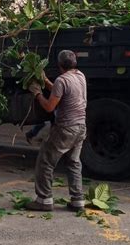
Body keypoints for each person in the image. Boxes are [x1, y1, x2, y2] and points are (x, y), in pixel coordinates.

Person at [26, 50, 87, 212]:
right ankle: (77, 200)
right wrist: (45, 80)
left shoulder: (61, 80)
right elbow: (62, 93)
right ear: (74, 63)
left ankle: (44, 200)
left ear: (59, 65)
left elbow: (49, 106)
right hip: (81, 126)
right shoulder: (80, 76)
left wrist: (37, 93)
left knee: (45, 161)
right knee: (74, 162)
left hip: (66, 128)